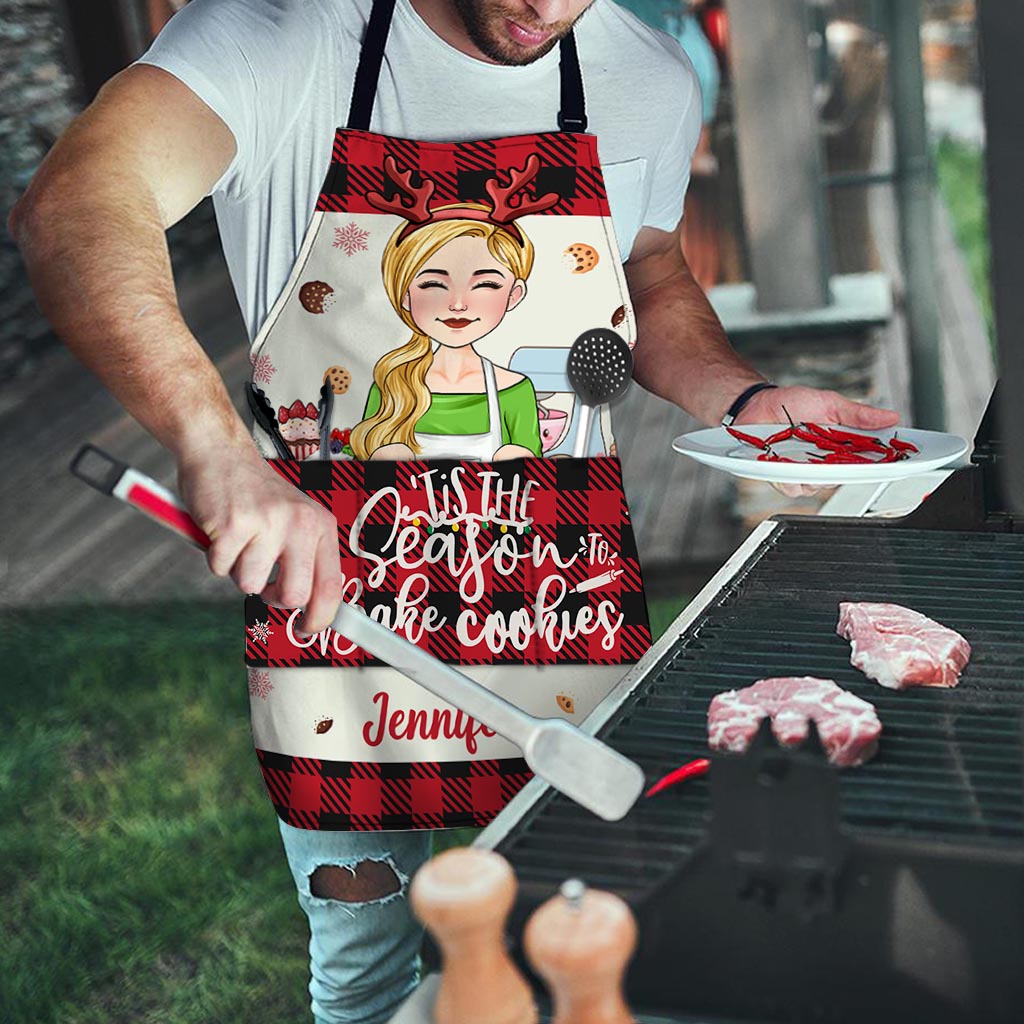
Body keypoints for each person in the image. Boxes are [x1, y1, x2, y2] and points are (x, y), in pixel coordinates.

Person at [8, 2, 899, 1022]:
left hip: (554, 593)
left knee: (586, 943)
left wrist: (743, 399)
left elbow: (645, 273)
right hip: (342, 612)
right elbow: (77, 204)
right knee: (369, 970)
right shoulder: (280, 36)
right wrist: (216, 447)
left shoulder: (646, 77)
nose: (547, 9)